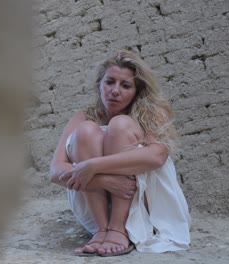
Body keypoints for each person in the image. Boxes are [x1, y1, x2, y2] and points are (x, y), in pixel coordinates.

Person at [49, 50, 191, 257]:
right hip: (96, 206)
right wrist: (103, 181)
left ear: (136, 91)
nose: (115, 91)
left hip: (143, 203)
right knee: (86, 130)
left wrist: (94, 166)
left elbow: (157, 157)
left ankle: (119, 229)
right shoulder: (81, 118)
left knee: (120, 125)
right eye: (109, 82)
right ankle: (102, 229)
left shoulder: (150, 113)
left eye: (125, 86)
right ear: (99, 84)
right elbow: (55, 172)